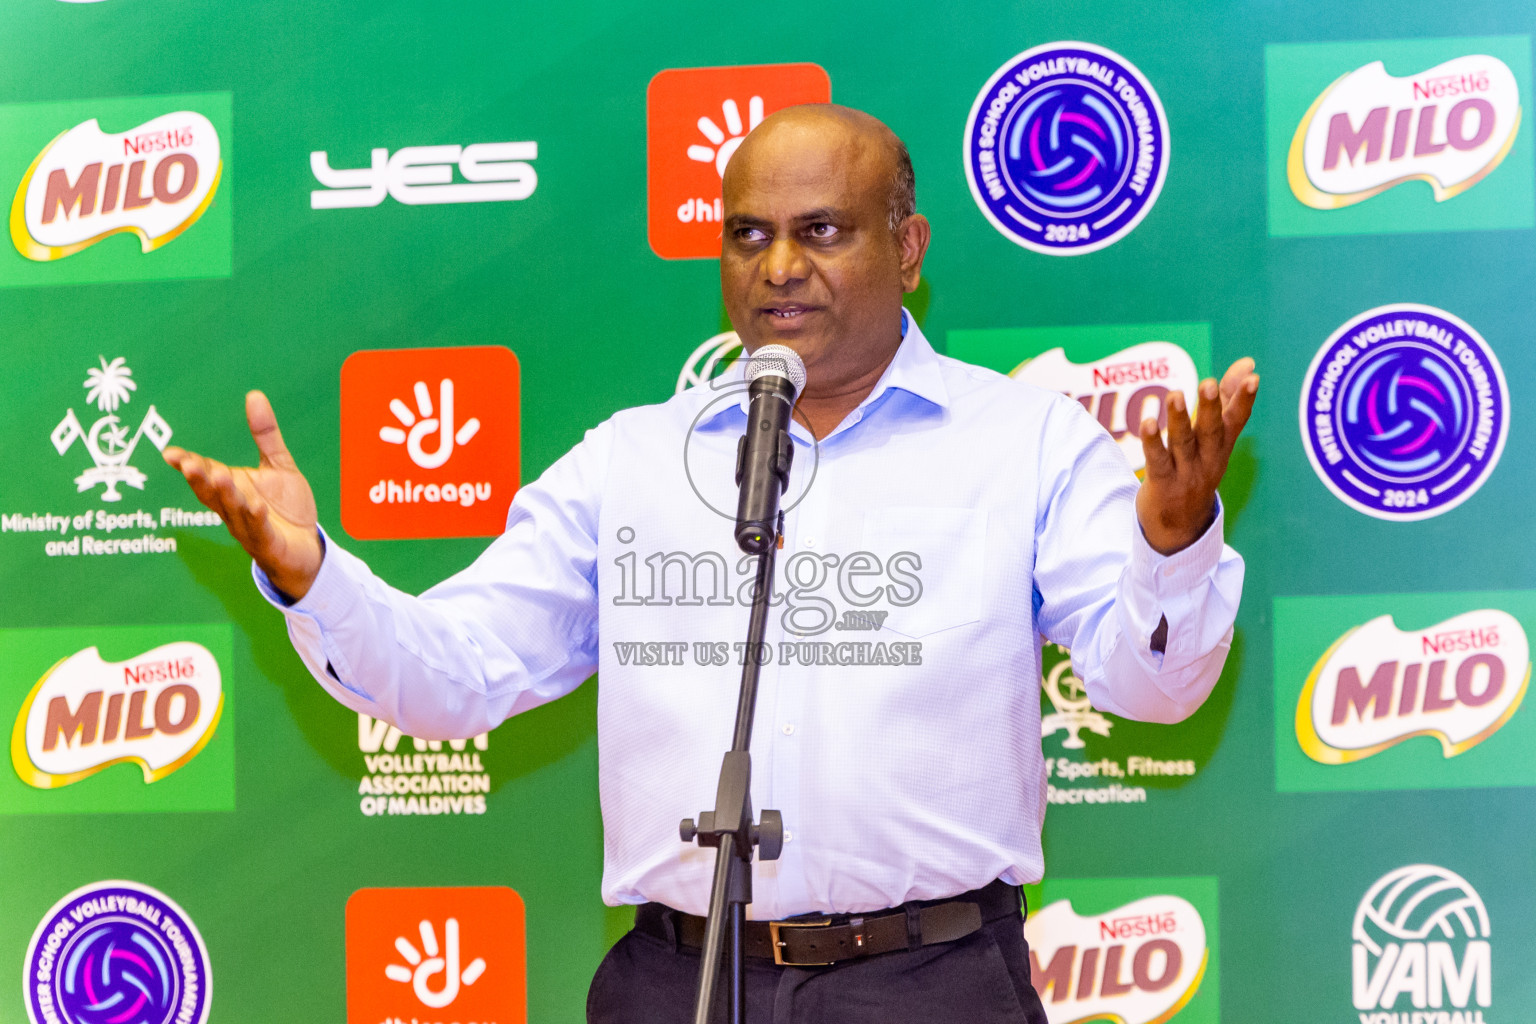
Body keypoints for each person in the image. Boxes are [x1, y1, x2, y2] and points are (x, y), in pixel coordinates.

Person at [164, 104, 1258, 1023]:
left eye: (823, 230)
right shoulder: (635, 459)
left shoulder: (1025, 441)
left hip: (927, 984)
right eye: (748, 234)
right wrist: (314, 572)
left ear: (909, 249)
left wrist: (1170, 544)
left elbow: (1151, 688)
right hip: (673, 981)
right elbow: (452, 672)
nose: (779, 266)